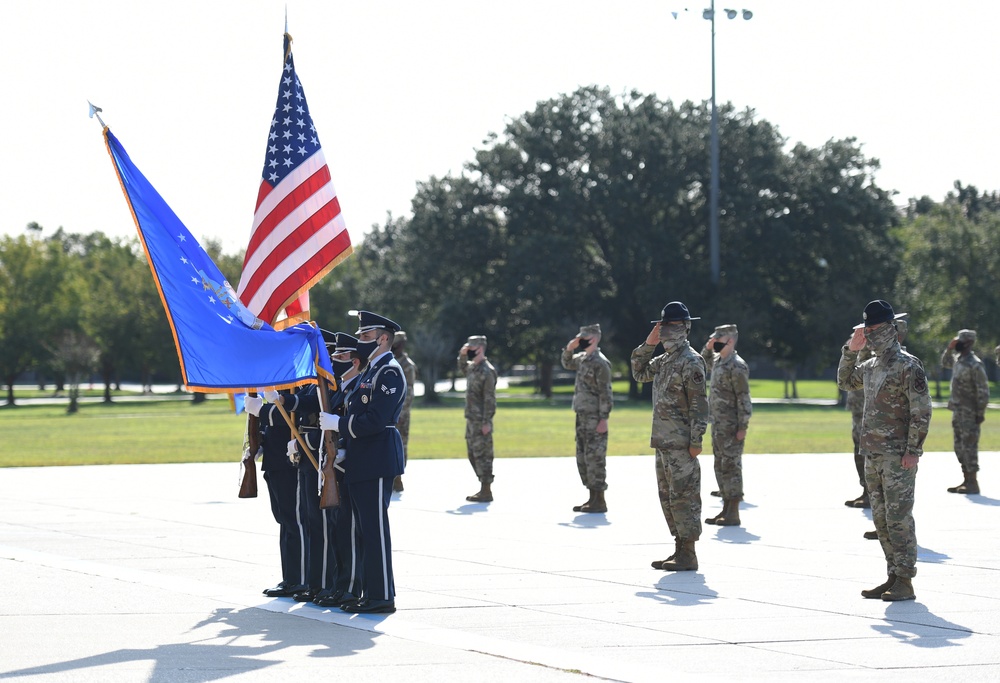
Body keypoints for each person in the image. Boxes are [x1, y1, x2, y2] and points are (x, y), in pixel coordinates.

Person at [837, 300, 931, 602]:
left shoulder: (908, 365)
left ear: (890, 329)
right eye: (868, 329)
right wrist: (850, 350)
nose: (871, 334)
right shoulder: (871, 365)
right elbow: (844, 382)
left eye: (875, 329)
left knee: (899, 518)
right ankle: (892, 575)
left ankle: (905, 579)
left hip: (897, 456)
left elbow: (922, 410)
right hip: (873, 454)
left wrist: (913, 450)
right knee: (881, 519)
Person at [319, 311, 406, 614]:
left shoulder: (389, 372)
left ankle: (382, 596)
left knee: (374, 529)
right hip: (362, 456)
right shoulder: (371, 372)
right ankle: (369, 592)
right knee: (363, 530)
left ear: (383, 339)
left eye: (365, 337)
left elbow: (375, 420)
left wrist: (339, 424)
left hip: (377, 455)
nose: (360, 342)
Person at [631, 301, 708, 572]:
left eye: (673, 326)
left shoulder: (691, 360)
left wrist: (697, 440)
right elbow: (639, 372)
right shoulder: (663, 360)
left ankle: (689, 553)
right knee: (668, 497)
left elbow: (699, 405)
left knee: (684, 496)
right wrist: (648, 343)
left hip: (682, 444)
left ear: (686, 328)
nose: (666, 332)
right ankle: (679, 548)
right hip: (663, 441)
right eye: (664, 326)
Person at [313, 332, 364, 609]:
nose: (334, 361)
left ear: (355, 361)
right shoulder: (343, 387)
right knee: (335, 528)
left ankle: (351, 587)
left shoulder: (356, 386)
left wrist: (343, 447)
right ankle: (337, 584)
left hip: (348, 465)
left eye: (340, 357)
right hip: (333, 465)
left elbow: (354, 423)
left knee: (348, 528)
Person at [245, 389, 308, 599]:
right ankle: (290, 577)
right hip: (274, 461)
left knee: (294, 521)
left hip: (291, 462)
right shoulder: (281, 384)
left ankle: (300, 579)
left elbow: (292, 414)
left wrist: (260, 411)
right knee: (284, 521)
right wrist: (258, 440)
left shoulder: (295, 383)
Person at [700, 324, 751, 527]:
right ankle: (725, 508)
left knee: (732, 466)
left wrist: (742, 426)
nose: (715, 342)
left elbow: (743, 398)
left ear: (730, 340)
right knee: (720, 465)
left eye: (718, 339)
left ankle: (734, 512)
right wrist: (707, 347)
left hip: (731, 425)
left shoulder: (736, 365)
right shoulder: (718, 361)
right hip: (718, 424)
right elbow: (701, 363)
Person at [561, 323, 613, 513]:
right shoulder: (582, 359)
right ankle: (592, 498)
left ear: (594, 339)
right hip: (582, 416)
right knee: (583, 457)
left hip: (595, 417)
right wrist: (569, 348)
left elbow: (605, 393)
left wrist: (603, 418)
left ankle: (600, 500)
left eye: (584, 338)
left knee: (595, 457)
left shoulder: (600, 363)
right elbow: (567, 363)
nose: (580, 341)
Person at [941, 329, 989, 495]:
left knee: (969, 446)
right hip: (957, 410)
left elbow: (983, 390)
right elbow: (944, 362)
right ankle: (966, 479)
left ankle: (973, 482)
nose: (958, 344)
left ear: (968, 342)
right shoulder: (958, 360)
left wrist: (980, 412)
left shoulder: (974, 363)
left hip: (970, 411)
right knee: (959, 446)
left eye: (960, 341)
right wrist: (949, 348)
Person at [459, 335, 498, 503]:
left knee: (483, 455)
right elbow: (462, 366)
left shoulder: (487, 371)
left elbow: (490, 399)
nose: (468, 351)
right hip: (471, 419)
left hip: (481, 420)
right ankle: (482, 486)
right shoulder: (472, 368)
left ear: (480, 349)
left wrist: (486, 421)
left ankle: (486, 490)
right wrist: (462, 355)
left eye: (470, 349)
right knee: (472, 454)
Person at [391, 331, 417, 492]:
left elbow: (409, 392)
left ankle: (398, 477)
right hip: (389, 413)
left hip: (401, 415)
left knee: (401, 445)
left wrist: (400, 413)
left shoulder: (408, 365)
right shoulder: (392, 361)